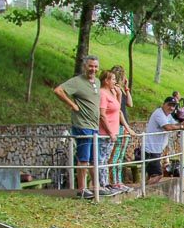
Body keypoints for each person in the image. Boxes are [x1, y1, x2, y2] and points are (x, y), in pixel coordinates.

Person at [53, 55, 107, 198]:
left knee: (94, 157)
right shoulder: (77, 82)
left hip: (94, 125)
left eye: (95, 67)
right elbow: (58, 90)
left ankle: (96, 186)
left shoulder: (97, 81)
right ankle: (82, 188)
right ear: (85, 66)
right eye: (90, 66)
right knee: (83, 158)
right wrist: (72, 104)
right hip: (82, 124)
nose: (93, 69)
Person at [97, 69, 133, 195]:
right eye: (112, 79)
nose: (115, 82)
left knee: (107, 158)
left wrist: (122, 92)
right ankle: (103, 184)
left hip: (114, 131)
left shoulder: (112, 93)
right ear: (106, 81)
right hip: (105, 133)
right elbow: (102, 115)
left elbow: (120, 109)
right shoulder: (103, 93)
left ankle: (107, 183)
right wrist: (110, 132)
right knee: (102, 159)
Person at [143, 97, 184, 184]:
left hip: (156, 149)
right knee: (158, 174)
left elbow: (174, 124)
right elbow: (168, 127)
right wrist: (182, 127)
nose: (171, 108)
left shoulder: (167, 115)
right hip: (150, 150)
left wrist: (183, 123)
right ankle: (144, 191)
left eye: (173, 106)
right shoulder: (159, 113)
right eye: (169, 105)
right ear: (164, 104)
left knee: (151, 174)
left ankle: (144, 190)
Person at [108, 65, 133, 190]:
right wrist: (128, 127)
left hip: (123, 125)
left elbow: (130, 104)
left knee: (120, 156)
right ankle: (114, 181)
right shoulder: (114, 91)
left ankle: (118, 181)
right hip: (118, 125)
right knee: (115, 155)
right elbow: (118, 111)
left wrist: (127, 88)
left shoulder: (121, 90)